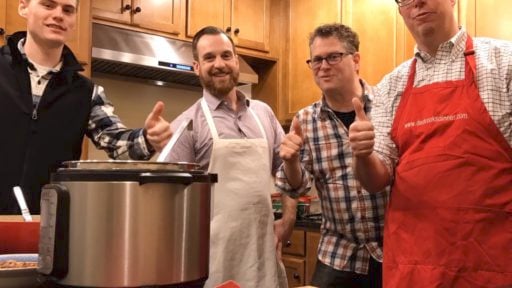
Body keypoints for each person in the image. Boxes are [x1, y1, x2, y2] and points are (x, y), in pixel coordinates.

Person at [349, 0, 512, 287]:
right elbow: (376, 179)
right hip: (414, 264)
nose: (417, 3)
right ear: (400, 9)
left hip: (490, 262)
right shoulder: (391, 85)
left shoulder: (504, 63)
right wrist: (362, 156)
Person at [0, 0, 172, 214]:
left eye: (68, 10)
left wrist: (148, 138)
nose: (59, 15)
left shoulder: (86, 92)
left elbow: (116, 142)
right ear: (23, 7)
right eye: (48, 5)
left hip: (50, 224)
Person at [164, 26, 289, 288]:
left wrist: (287, 221)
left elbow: (288, 173)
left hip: (262, 250)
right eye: (209, 58)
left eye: (226, 55)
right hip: (211, 258)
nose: (219, 64)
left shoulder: (263, 113)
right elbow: (168, 203)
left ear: (236, 60)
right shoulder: (186, 125)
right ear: (197, 67)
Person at [276, 23, 388, 288]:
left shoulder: (388, 105)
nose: (323, 66)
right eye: (316, 59)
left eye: (333, 57)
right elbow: (296, 187)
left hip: (393, 250)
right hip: (338, 254)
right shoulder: (305, 120)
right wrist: (291, 162)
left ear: (356, 60)